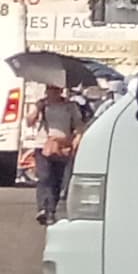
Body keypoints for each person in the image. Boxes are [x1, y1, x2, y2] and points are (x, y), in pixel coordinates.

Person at [29, 82, 88, 221]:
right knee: (45, 177)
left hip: (62, 146)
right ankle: (43, 208)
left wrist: (77, 138)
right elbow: (29, 121)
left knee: (58, 179)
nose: (53, 92)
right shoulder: (42, 105)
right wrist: (37, 109)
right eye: (50, 89)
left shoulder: (70, 106)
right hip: (43, 145)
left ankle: (52, 210)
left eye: (56, 89)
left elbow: (79, 125)